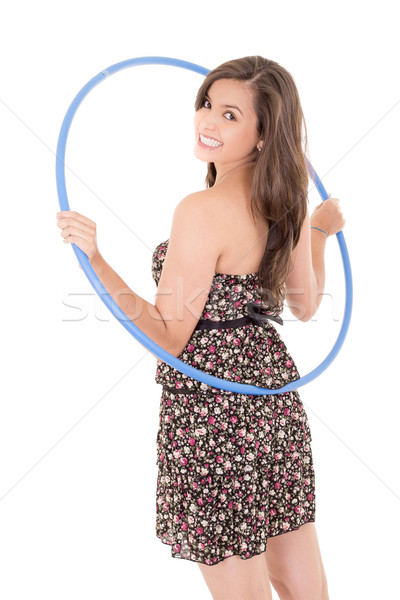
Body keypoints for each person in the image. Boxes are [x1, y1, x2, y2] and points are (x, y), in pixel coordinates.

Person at [56, 55, 344, 600]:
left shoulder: (202, 209)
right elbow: (306, 306)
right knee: (301, 585)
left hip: (214, 419)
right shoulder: (285, 202)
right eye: (208, 104)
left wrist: (95, 259)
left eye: (231, 114)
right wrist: (318, 232)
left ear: (263, 135)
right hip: (272, 404)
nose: (208, 121)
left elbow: (167, 335)